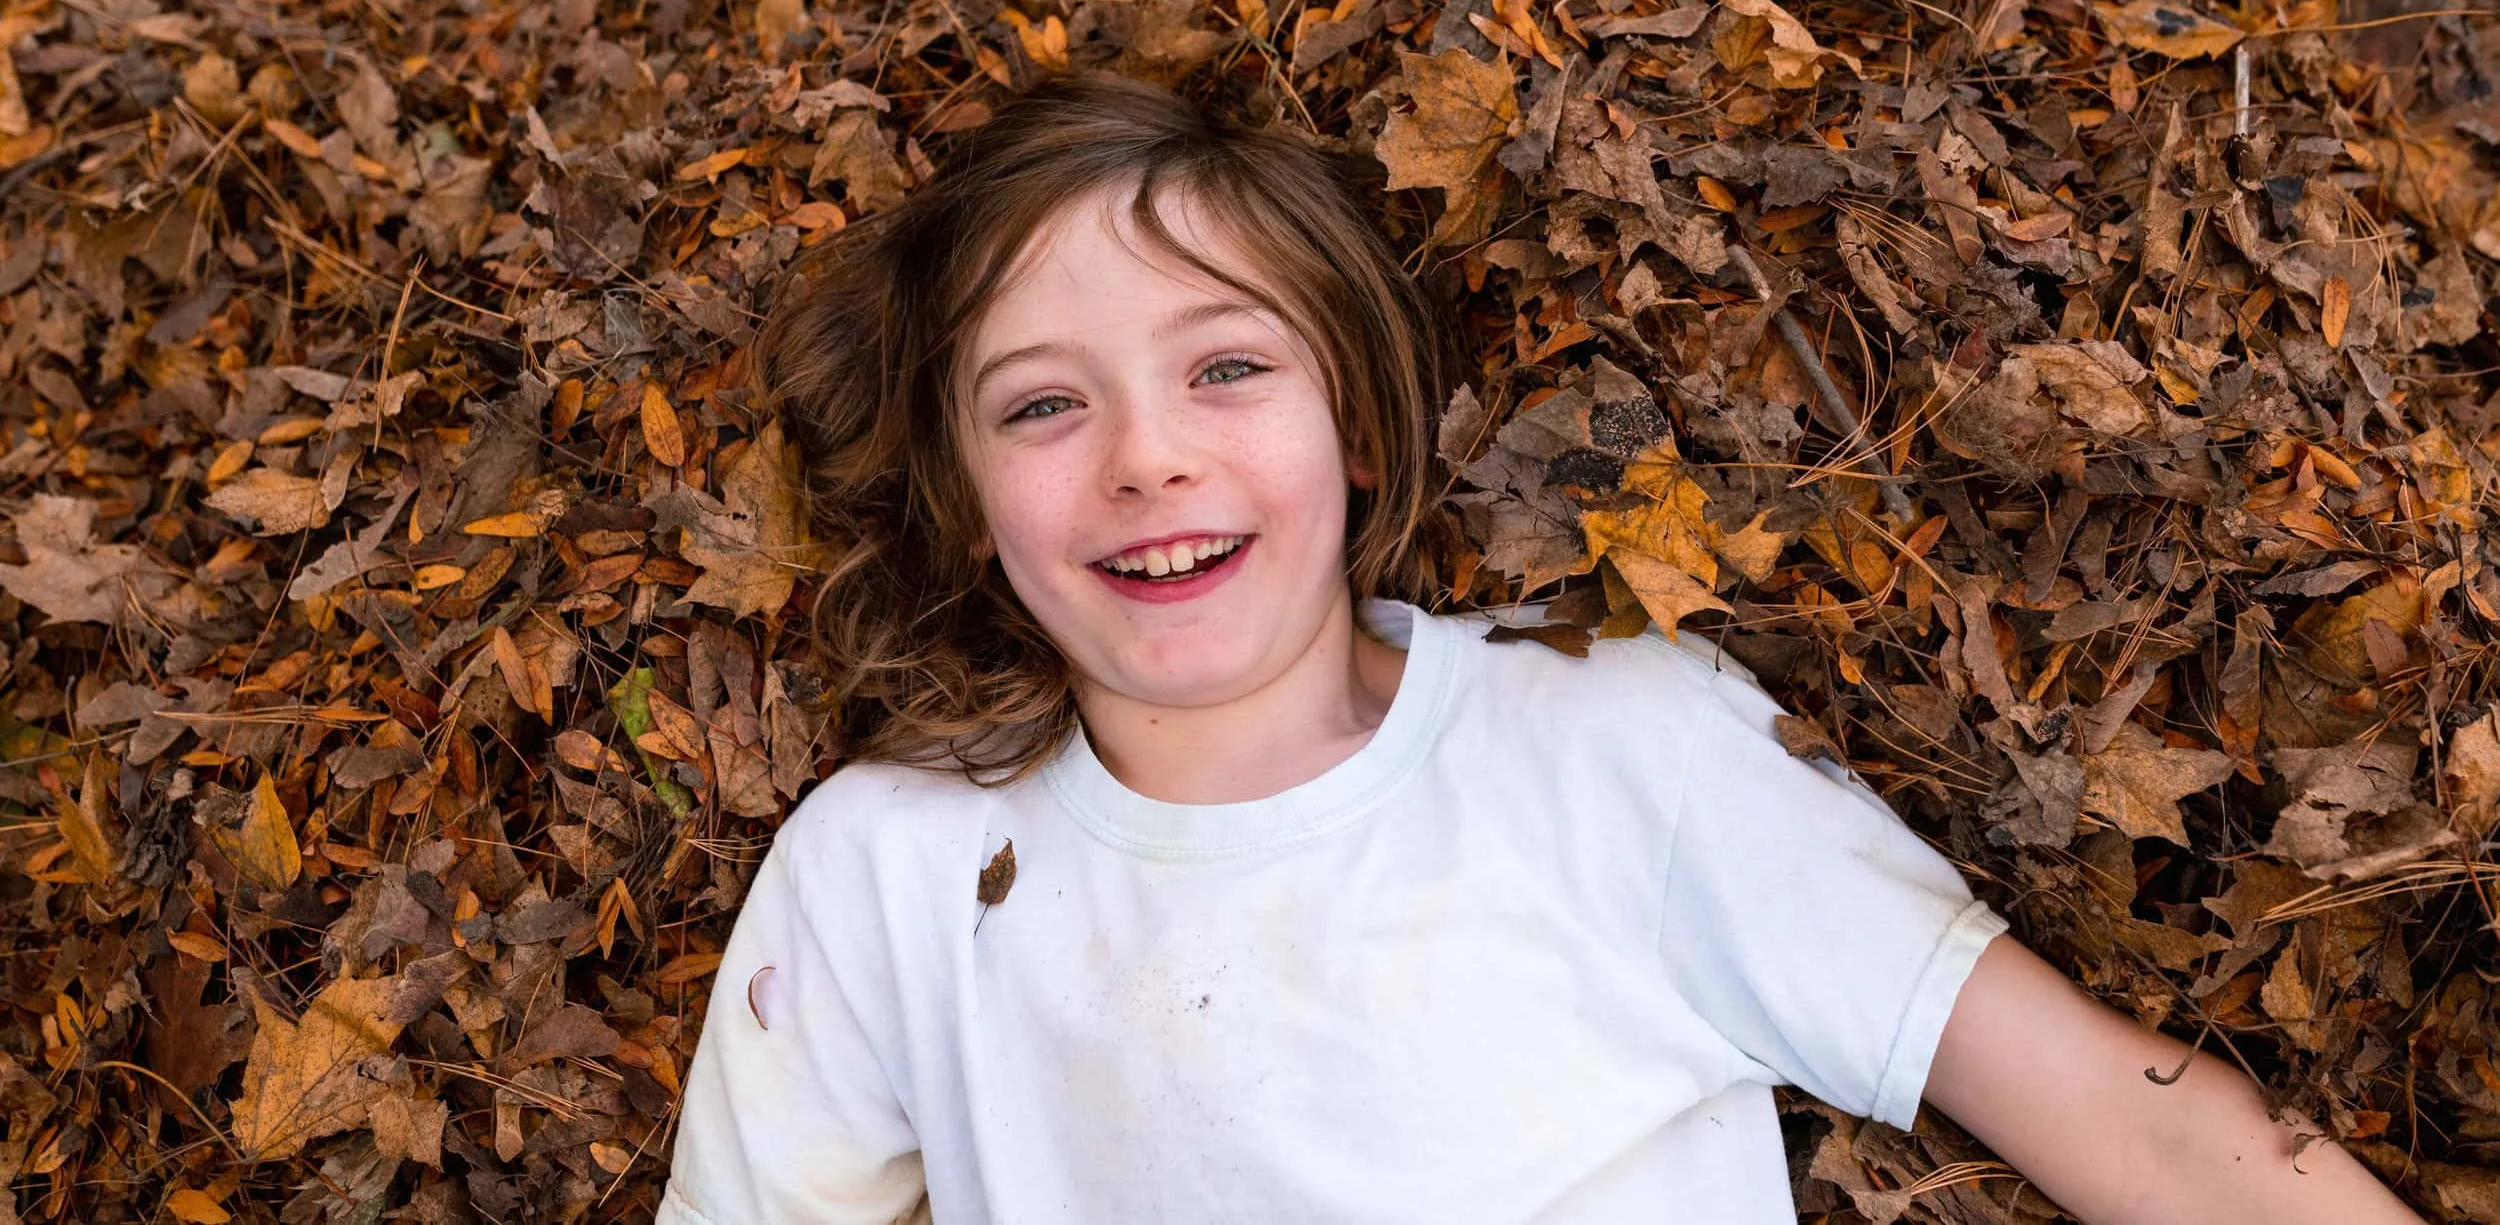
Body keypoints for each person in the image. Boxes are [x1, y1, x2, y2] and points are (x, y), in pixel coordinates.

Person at [656, 72, 2421, 1225]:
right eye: (1044, 404)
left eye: (1226, 367)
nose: (1147, 455)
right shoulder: (887, 871)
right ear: (966, 499)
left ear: (1359, 417)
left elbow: (2137, 1124)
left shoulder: (1614, 745)